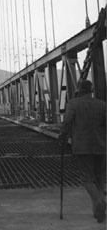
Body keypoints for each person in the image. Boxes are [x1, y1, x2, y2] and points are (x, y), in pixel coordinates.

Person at [59, 79, 106, 223]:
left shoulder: (73, 104)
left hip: (82, 147)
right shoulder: (102, 105)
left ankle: (99, 202)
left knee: (87, 178)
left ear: (79, 90)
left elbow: (67, 122)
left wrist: (62, 137)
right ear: (91, 90)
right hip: (101, 146)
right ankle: (98, 212)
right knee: (99, 178)